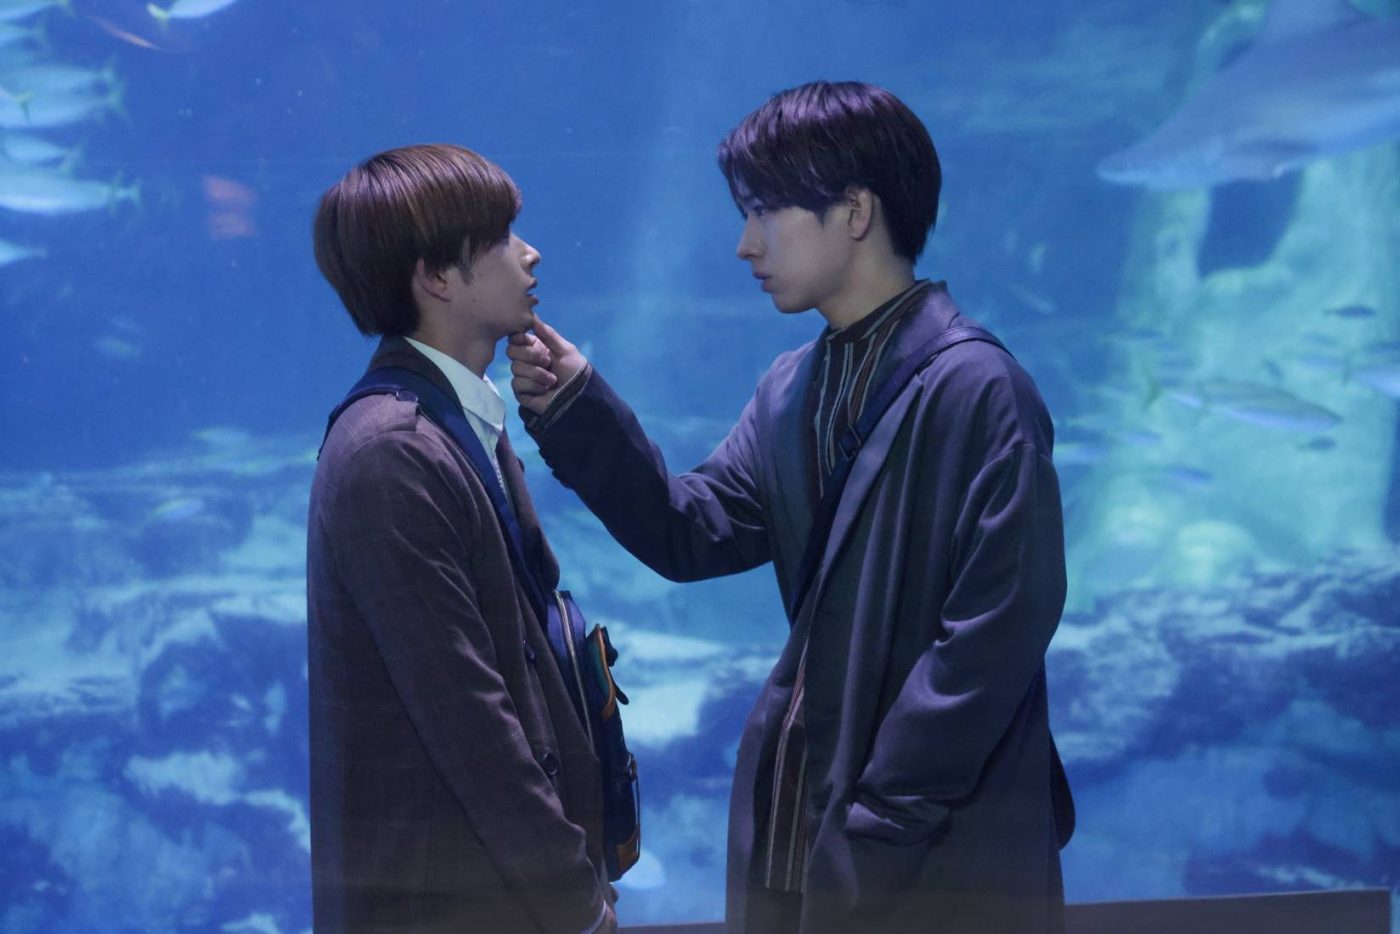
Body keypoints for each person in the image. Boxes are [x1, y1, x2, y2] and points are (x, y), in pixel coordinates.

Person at [508, 82, 1073, 933]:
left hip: (930, 849)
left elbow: (997, 630)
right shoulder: (791, 387)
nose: (745, 244)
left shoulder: (979, 389)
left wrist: (885, 812)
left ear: (856, 211)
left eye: (765, 212)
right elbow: (690, 531)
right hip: (799, 826)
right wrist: (577, 406)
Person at [307, 143, 615, 933]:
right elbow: (468, 717)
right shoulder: (392, 451)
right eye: (503, 237)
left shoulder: (456, 422)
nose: (530, 253)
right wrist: (575, 903)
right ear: (437, 276)